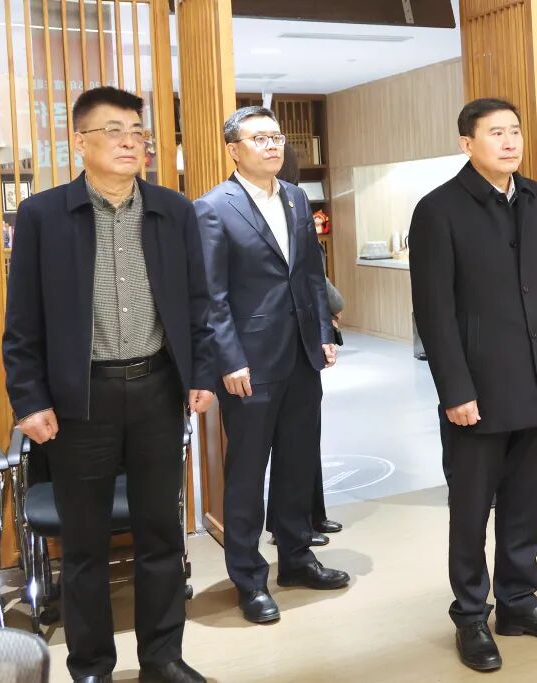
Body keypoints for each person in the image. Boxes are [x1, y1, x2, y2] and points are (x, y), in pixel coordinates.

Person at [3, 86, 214, 683]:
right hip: (81, 400)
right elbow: (22, 320)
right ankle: (91, 665)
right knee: (85, 543)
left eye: (138, 132)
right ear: (80, 141)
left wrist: (201, 372)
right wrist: (29, 399)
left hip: (157, 390)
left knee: (161, 533)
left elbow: (198, 302)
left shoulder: (173, 210)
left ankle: (163, 658)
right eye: (114, 131)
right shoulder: (44, 215)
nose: (130, 142)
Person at [410, 98, 537, 672]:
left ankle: (518, 602)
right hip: (478, 391)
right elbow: (433, 311)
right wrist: (455, 390)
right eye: (496, 133)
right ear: (467, 143)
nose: (510, 142)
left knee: (527, 503)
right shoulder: (438, 209)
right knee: (470, 510)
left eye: (515, 131)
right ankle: (470, 615)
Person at [195, 106, 348, 625]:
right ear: (234, 150)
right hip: (250, 363)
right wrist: (229, 359)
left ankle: (297, 558)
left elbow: (310, 274)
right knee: (246, 472)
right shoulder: (212, 208)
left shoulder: (297, 198)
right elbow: (211, 295)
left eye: (276, 137)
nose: (272, 145)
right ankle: (248, 578)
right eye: (259, 138)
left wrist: (323, 334)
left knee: (298, 462)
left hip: (302, 353)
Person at [264, 145, 344, 546]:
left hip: (305, 339)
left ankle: (309, 516)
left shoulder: (293, 202)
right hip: (280, 341)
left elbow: (313, 271)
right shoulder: (271, 206)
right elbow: (311, 277)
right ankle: (293, 522)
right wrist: (332, 307)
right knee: (292, 440)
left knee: (304, 436)